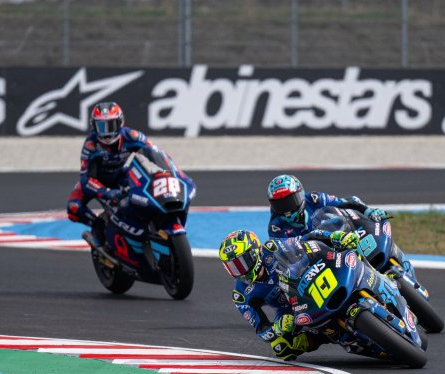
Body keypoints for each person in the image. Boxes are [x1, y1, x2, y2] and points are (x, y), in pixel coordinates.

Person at [218, 228, 360, 360]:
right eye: (233, 266)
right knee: (281, 347)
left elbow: (305, 239)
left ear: (254, 252)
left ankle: (367, 273)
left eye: (242, 262)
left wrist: (333, 236)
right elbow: (261, 330)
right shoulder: (240, 294)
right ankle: (326, 336)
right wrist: (277, 328)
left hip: (306, 283)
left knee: (350, 248)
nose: (239, 271)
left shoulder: (272, 248)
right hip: (290, 312)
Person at [66, 101, 195, 245]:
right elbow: (85, 179)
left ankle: (143, 225)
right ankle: (98, 225)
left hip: (122, 177)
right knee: (74, 207)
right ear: (93, 126)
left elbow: (155, 153)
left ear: (120, 122)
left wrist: (169, 172)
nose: (106, 132)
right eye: (101, 126)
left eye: (111, 125)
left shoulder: (132, 136)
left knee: (136, 199)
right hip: (98, 182)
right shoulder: (90, 145)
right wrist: (106, 192)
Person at [266, 174, 388, 239]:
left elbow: (345, 202)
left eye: (289, 202)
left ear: (300, 195)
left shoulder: (314, 199)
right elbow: (284, 255)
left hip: (341, 239)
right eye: (280, 205)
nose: (286, 210)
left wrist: (368, 211)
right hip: (318, 258)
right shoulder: (275, 227)